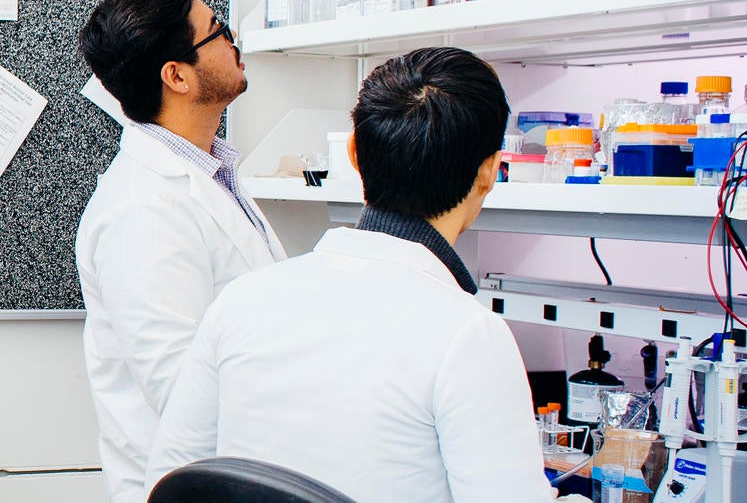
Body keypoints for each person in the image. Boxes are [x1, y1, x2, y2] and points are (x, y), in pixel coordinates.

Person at [146, 47, 558, 502]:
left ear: (354, 154)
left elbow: (169, 482)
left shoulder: (242, 301)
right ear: (488, 173)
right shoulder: (468, 336)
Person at [72, 0, 287, 503]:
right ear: (178, 76)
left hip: (238, 475)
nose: (233, 39)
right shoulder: (142, 209)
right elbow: (181, 395)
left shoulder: (209, 176)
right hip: (192, 487)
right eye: (216, 31)